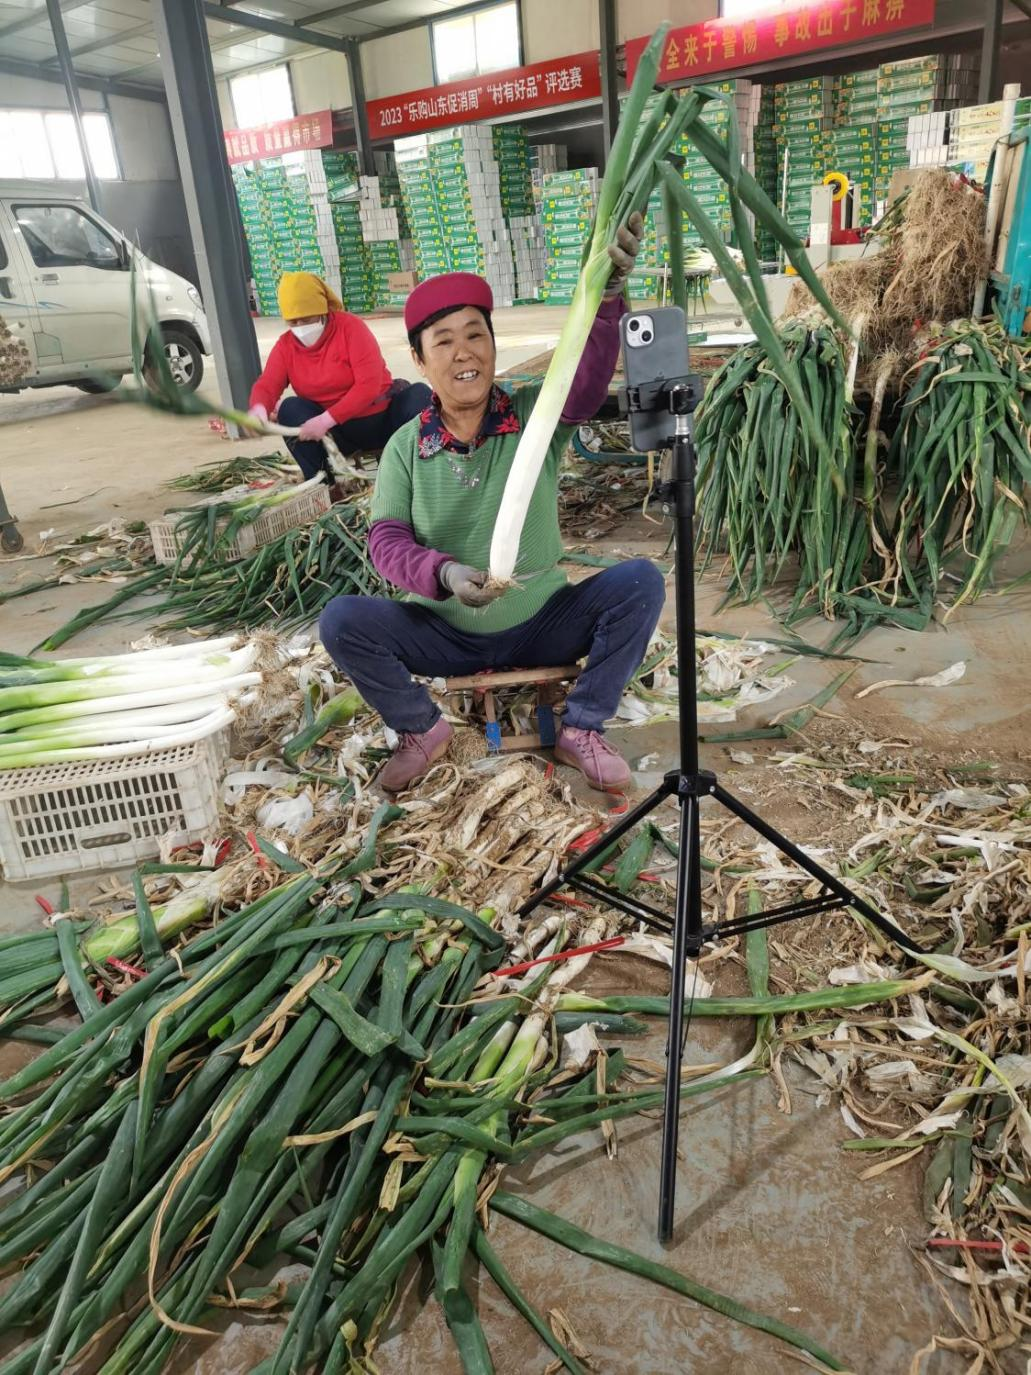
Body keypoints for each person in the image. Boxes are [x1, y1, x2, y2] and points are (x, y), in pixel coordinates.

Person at [320, 212, 666, 794]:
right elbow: (386, 543)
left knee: (640, 583)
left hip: (541, 619)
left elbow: (583, 382)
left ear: (493, 345)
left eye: (476, 334)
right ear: (420, 361)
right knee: (342, 621)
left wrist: (607, 301)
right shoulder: (407, 446)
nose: (464, 352)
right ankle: (421, 729)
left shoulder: (533, 411)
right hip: (446, 631)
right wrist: (445, 573)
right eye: (445, 340)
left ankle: (581, 727)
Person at [247, 272, 430, 486]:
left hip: (381, 422)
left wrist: (326, 420)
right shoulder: (286, 346)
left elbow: (368, 385)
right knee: (290, 408)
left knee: (420, 395)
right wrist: (258, 408)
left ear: (323, 312)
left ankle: (422, 476)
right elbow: (268, 384)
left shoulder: (350, 328)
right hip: (336, 436)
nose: (300, 327)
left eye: (307, 319)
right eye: (293, 322)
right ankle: (323, 485)